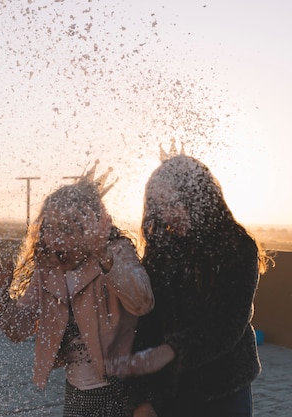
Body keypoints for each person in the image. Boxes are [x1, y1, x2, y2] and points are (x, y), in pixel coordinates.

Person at [0, 165, 154, 417]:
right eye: (49, 228)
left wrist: (103, 256)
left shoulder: (115, 252)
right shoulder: (49, 268)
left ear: (88, 225)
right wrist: (0, 296)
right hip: (77, 390)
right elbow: (19, 329)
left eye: (65, 228)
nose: (54, 239)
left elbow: (142, 302)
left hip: (122, 389)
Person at [108, 150, 270, 417]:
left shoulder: (236, 247)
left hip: (223, 388)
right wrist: (142, 398)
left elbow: (228, 323)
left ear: (200, 198)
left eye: (174, 205)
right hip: (171, 390)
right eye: (160, 209)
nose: (168, 216)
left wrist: (171, 350)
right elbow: (149, 322)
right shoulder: (163, 249)